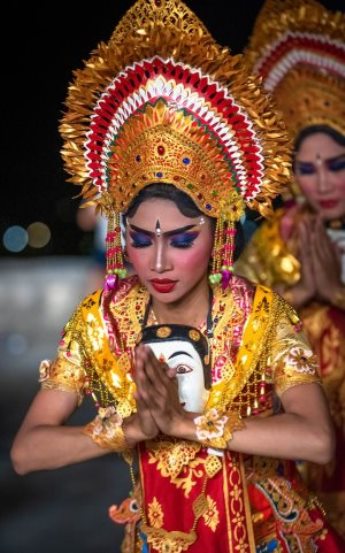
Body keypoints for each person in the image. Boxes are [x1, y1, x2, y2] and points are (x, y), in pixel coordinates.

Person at [10, 0, 343, 551]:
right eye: (140, 239)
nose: (158, 262)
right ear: (121, 238)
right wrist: (129, 429)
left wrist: (189, 426)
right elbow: (26, 452)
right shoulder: (101, 324)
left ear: (217, 235)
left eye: (182, 239)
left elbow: (316, 439)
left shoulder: (258, 314)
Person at [235, 0, 345, 539]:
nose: (321, 182)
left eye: (336, 165)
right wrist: (305, 290)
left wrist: (338, 294)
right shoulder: (278, 236)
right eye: (306, 168)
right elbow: (230, 326)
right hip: (297, 450)